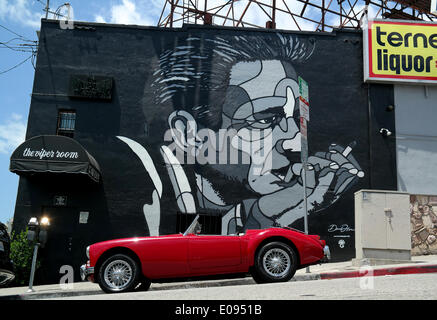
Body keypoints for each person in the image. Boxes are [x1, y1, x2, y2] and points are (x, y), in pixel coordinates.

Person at [118, 34, 364, 236]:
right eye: (266, 120)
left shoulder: (241, 205)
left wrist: (271, 214)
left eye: (295, 119)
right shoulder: (147, 191)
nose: (293, 141)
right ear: (187, 132)